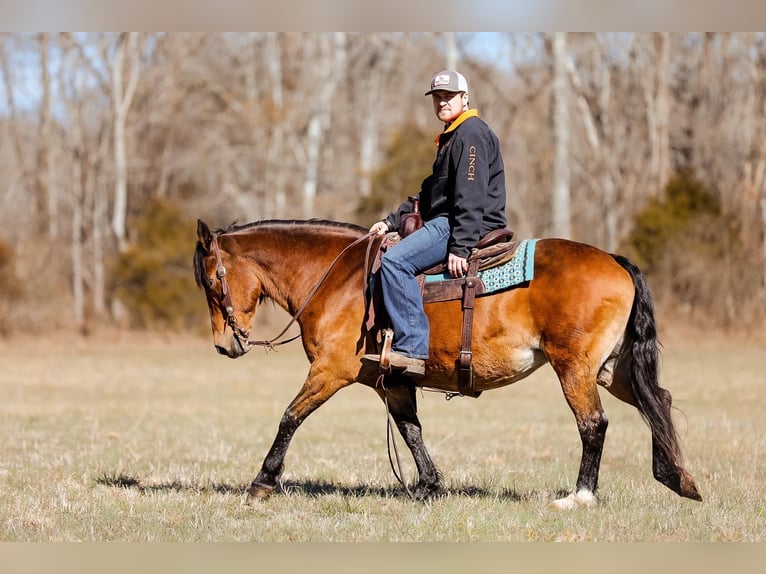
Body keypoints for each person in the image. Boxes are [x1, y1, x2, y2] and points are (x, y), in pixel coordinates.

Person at [363, 69, 507, 377]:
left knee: (395, 262)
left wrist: (461, 246)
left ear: (464, 98)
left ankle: (412, 348)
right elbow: (428, 193)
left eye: (449, 97)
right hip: (451, 220)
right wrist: (389, 222)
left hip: (461, 224)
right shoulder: (452, 136)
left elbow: (470, 195)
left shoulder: (470, 134)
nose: (442, 103)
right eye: (437, 98)